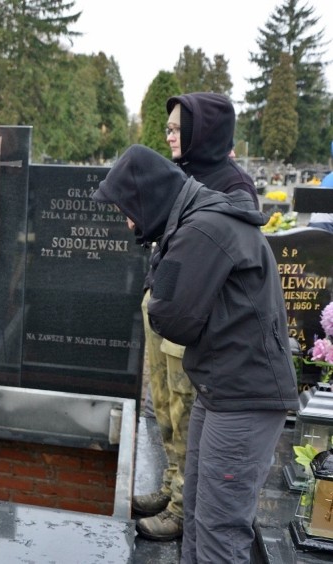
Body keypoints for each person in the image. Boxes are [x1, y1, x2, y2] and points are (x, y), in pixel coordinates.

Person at [93, 144, 298, 562]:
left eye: (127, 209)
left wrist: (163, 286)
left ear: (147, 198)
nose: (128, 221)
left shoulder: (201, 231)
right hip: (222, 386)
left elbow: (171, 318)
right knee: (199, 517)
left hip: (243, 397)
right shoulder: (199, 222)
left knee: (220, 528)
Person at [132, 92, 260, 542]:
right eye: (168, 128)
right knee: (164, 406)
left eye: (175, 129)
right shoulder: (181, 176)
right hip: (162, 303)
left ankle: (185, 508)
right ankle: (170, 486)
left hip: (193, 318)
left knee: (185, 408)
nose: (168, 135)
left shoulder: (232, 185)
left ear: (199, 132)